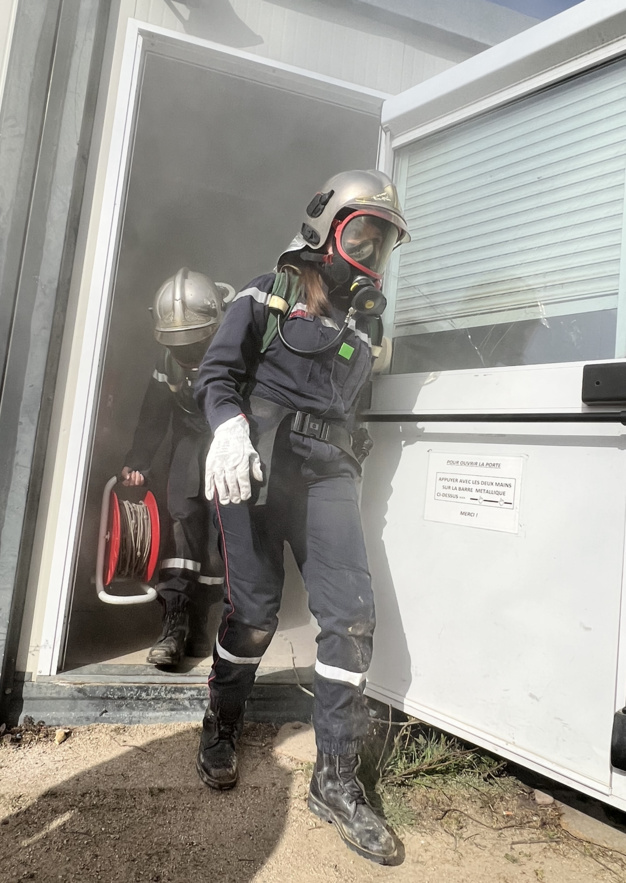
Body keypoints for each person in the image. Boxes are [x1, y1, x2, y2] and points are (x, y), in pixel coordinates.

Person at [193, 170, 410, 864]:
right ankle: (221, 719)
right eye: (361, 234)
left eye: (382, 243)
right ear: (326, 228)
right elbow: (216, 374)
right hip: (255, 467)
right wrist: (226, 428)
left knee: (349, 616)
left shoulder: (367, 323)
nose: (371, 253)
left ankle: (337, 778)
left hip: (328, 474)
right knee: (254, 614)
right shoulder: (270, 290)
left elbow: (357, 409)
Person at [122, 267, 233, 665]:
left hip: (229, 449)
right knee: (180, 530)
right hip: (188, 448)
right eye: (178, 343)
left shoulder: (238, 347)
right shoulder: (167, 364)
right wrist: (138, 460)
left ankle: (202, 624)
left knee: (221, 541)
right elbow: (153, 417)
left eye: (195, 341)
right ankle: (174, 625)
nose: (187, 351)